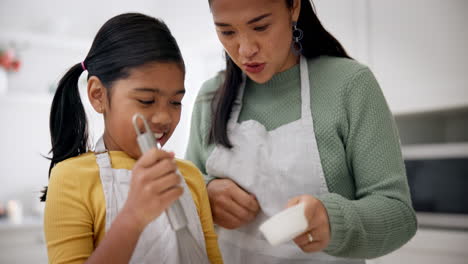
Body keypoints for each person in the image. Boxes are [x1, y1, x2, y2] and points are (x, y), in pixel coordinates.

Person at [185, 0, 417, 263]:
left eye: (260, 27)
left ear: (293, 7)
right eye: (227, 32)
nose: (245, 50)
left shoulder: (350, 85)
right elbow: (184, 191)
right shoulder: (210, 97)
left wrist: (333, 221)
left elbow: (399, 215)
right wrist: (206, 193)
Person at [42, 13, 223, 264]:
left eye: (175, 102)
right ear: (98, 95)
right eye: (146, 100)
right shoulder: (71, 178)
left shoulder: (189, 177)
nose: (163, 117)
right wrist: (133, 216)